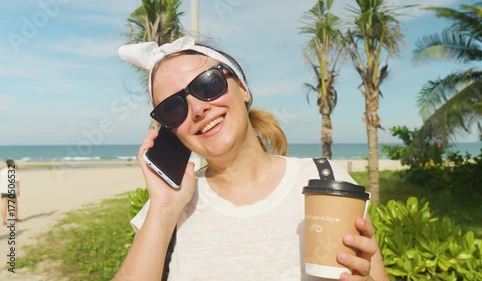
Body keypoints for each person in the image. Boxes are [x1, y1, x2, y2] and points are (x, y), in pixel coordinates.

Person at [114, 36, 389, 281]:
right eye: (173, 109)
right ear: (169, 130)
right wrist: (163, 208)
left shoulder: (325, 179)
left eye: (208, 84)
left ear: (243, 88)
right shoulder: (168, 208)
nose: (197, 109)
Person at [1, 159, 21, 225]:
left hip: (4, 190)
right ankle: (15, 218)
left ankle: (3, 220)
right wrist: (18, 190)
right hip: (12, 190)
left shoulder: (2, 171)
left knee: (4, 205)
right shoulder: (15, 171)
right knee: (14, 204)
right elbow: (17, 181)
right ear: (11, 164)